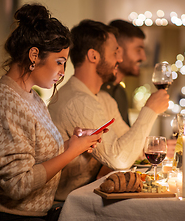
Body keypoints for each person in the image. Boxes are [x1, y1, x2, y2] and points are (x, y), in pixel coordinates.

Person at [0, 4, 104, 221]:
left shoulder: (32, 98)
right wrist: (71, 152)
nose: (62, 72)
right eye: (59, 62)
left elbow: (35, 158)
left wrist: (72, 143)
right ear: (34, 55)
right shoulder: (5, 103)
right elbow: (18, 184)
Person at [48, 19, 169, 201]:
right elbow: (119, 159)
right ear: (93, 56)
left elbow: (133, 148)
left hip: (90, 197)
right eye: (114, 53)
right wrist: (150, 110)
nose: (119, 60)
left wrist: (155, 145)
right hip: (65, 207)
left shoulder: (103, 98)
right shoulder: (78, 101)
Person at [101, 19, 146, 126]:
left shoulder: (120, 92)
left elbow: (126, 136)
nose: (143, 58)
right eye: (138, 50)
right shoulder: (100, 93)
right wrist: (150, 110)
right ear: (118, 51)